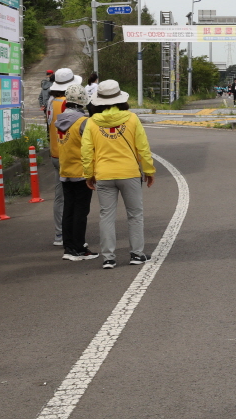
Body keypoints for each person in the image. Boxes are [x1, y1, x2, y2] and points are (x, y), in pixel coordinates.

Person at [82, 79, 156, 269]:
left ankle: (108, 258)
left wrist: (88, 174)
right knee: (135, 215)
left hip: (104, 175)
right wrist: (148, 170)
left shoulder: (91, 122)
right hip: (129, 173)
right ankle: (137, 254)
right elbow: (143, 148)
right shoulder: (131, 119)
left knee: (106, 216)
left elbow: (87, 151)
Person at [56, 84, 98, 261]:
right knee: (81, 211)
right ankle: (79, 249)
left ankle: (69, 247)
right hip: (81, 171)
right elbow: (90, 148)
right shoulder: (84, 122)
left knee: (69, 210)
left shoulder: (60, 120)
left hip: (65, 171)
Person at [47, 68, 82, 246]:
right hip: (67, 154)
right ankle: (67, 234)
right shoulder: (64, 104)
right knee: (75, 197)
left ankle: (60, 234)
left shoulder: (51, 101)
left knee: (60, 196)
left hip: (54, 152)